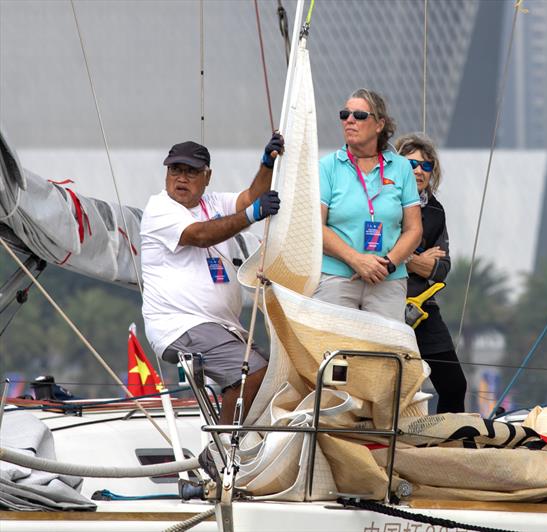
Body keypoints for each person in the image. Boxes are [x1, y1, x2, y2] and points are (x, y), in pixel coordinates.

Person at [141, 134, 283, 424]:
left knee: (270, 375)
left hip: (218, 325)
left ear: (207, 177)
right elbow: (201, 235)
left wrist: (267, 163)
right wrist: (253, 214)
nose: (181, 178)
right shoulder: (160, 209)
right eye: (175, 170)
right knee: (252, 374)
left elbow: (250, 198)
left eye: (191, 171)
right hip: (180, 323)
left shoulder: (213, 202)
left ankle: (231, 447)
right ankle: (221, 453)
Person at [315, 89, 422, 322]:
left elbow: (414, 229)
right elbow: (316, 226)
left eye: (359, 116)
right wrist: (357, 260)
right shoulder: (327, 167)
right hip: (337, 277)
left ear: (379, 124)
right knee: (335, 353)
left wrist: (389, 265)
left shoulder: (401, 167)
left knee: (386, 354)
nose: (350, 120)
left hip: (388, 280)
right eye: (345, 115)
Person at [396, 133, 467, 413]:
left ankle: (446, 449)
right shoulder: (384, 202)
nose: (419, 171)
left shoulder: (436, 211)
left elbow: (441, 269)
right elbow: (377, 250)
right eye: (412, 164)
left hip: (423, 305)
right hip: (385, 299)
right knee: (389, 385)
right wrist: (417, 259)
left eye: (426, 166)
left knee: (454, 385)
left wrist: (405, 258)